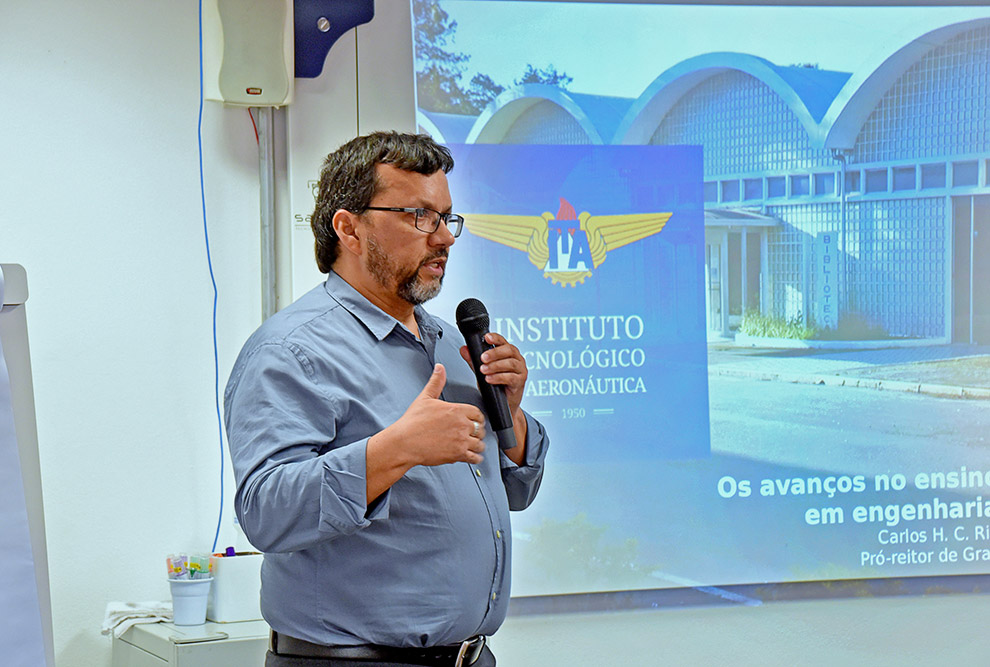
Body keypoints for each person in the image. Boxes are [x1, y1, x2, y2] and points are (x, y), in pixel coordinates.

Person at [224, 131, 549, 667]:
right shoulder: (290, 351)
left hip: (471, 657)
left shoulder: (450, 341)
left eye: (447, 218)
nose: (444, 238)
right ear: (349, 228)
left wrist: (509, 417)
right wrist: (394, 451)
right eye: (420, 217)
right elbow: (265, 513)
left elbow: (516, 491)